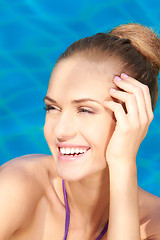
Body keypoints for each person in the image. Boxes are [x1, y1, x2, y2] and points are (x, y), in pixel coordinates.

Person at [0, 23, 160, 240]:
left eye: (85, 110)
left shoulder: (152, 223)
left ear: (133, 118)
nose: (61, 130)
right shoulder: (18, 186)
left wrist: (123, 163)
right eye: (52, 108)